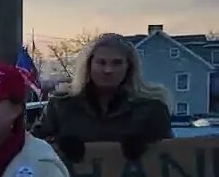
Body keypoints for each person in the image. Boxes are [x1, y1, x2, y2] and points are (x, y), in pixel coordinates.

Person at [31, 32, 173, 162]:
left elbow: (173, 156)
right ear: (89, 65)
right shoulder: (61, 105)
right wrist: (58, 145)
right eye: (101, 62)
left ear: (129, 67)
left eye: (117, 63)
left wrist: (149, 146)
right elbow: (32, 147)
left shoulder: (152, 109)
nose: (108, 70)